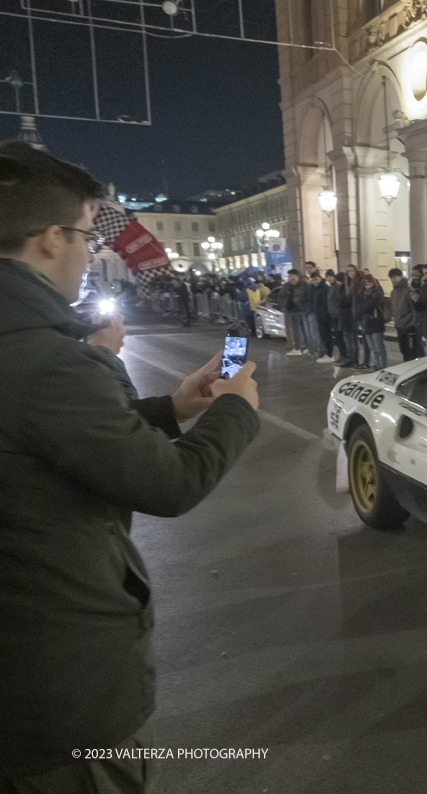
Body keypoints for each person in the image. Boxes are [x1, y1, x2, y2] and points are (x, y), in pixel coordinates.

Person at [0, 140, 260, 789]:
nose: (95, 252)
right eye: (89, 236)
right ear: (50, 239)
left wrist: (173, 408)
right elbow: (171, 483)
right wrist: (236, 407)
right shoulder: (50, 360)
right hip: (65, 697)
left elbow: (50, 439)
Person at [354, 271, 389, 371]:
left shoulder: (377, 293)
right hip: (366, 324)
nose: (367, 286)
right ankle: (377, 366)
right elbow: (359, 308)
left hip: (376, 324)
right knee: (373, 348)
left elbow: (368, 306)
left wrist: (363, 306)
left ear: (374, 283)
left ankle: (383, 367)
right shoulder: (362, 294)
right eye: (366, 284)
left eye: (370, 283)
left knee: (379, 348)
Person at [388, 268, 421, 360]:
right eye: (391, 278)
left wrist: (412, 324)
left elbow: (415, 309)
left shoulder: (408, 290)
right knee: (404, 351)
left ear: (401, 277)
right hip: (399, 325)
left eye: (395, 277)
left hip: (409, 326)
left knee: (413, 353)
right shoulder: (393, 292)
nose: (393, 280)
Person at [283, 268, 309, 357]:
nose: (290, 279)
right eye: (289, 277)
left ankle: (297, 348)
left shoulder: (301, 285)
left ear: (296, 276)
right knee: (301, 329)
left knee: (297, 330)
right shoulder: (293, 285)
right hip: (296, 309)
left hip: (297, 310)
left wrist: (293, 303)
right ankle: (305, 347)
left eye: (291, 276)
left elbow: (298, 298)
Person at [310, 272, 334, 363]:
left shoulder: (325, 288)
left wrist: (325, 315)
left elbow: (326, 304)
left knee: (327, 336)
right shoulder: (315, 289)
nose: (314, 281)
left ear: (320, 278)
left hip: (325, 316)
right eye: (312, 280)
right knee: (323, 336)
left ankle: (329, 355)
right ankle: (326, 354)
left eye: (316, 279)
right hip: (319, 316)